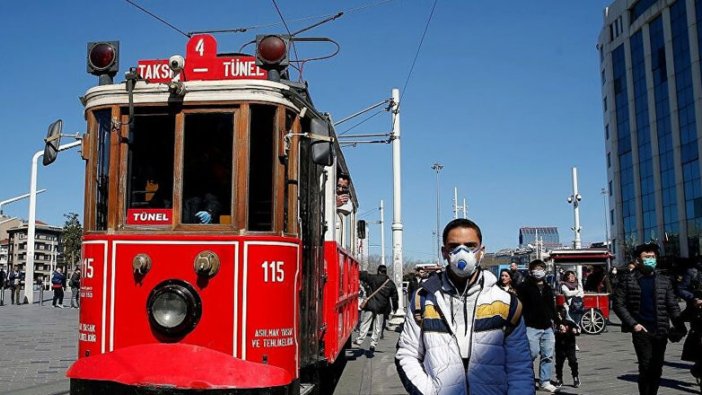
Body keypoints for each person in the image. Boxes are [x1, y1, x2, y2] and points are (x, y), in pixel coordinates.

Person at [396, 218, 534, 394]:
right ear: (444, 252)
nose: (462, 252)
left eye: (470, 245)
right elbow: (407, 354)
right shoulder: (423, 299)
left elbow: (519, 366)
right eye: (454, 247)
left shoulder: (506, 303)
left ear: (481, 251)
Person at [613, 242, 685, 395]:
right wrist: (634, 324)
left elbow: (672, 305)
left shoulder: (664, 280)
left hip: (661, 329)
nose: (650, 259)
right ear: (638, 260)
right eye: (647, 257)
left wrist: (679, 325)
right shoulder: (628, 279)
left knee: (657, 368)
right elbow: (618, 305)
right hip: (641, 331)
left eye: (652, 257)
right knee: (645, 367)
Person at [516, 259, 561, 393]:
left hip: (547, 326)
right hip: (531, 326)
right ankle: (527, 379)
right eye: (536, 268)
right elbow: (520, 306)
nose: (539, 271)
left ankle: (545, 381)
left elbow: (551, 307)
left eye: (541, 268)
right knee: (532, 353)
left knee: (548, 354)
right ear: (531, 271)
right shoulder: (524, 287)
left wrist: (558, 321)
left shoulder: (547, 288)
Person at [355, 264, 398, 352]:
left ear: (378, 271)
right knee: (377, 326)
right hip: (381, 308)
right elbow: (395, 297)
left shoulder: (372, 278)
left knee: (365, 323)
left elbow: (362, 275)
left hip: (370, 306)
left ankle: (359, 340)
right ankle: (373, 343)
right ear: (385, 272)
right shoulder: (390, 283)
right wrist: (395, 307)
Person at [553, 305, 580, 388]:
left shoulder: (569, 323)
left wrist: (575, 331)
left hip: (570, 346)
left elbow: (577, 330)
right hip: (559, 347)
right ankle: (559, 378)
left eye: (560, 314)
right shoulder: (555, 324)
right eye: (558, 314)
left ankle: (575, 377)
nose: (559, 316)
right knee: (559, 363)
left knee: (572, 362)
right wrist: (558, 331)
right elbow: (552, 331)